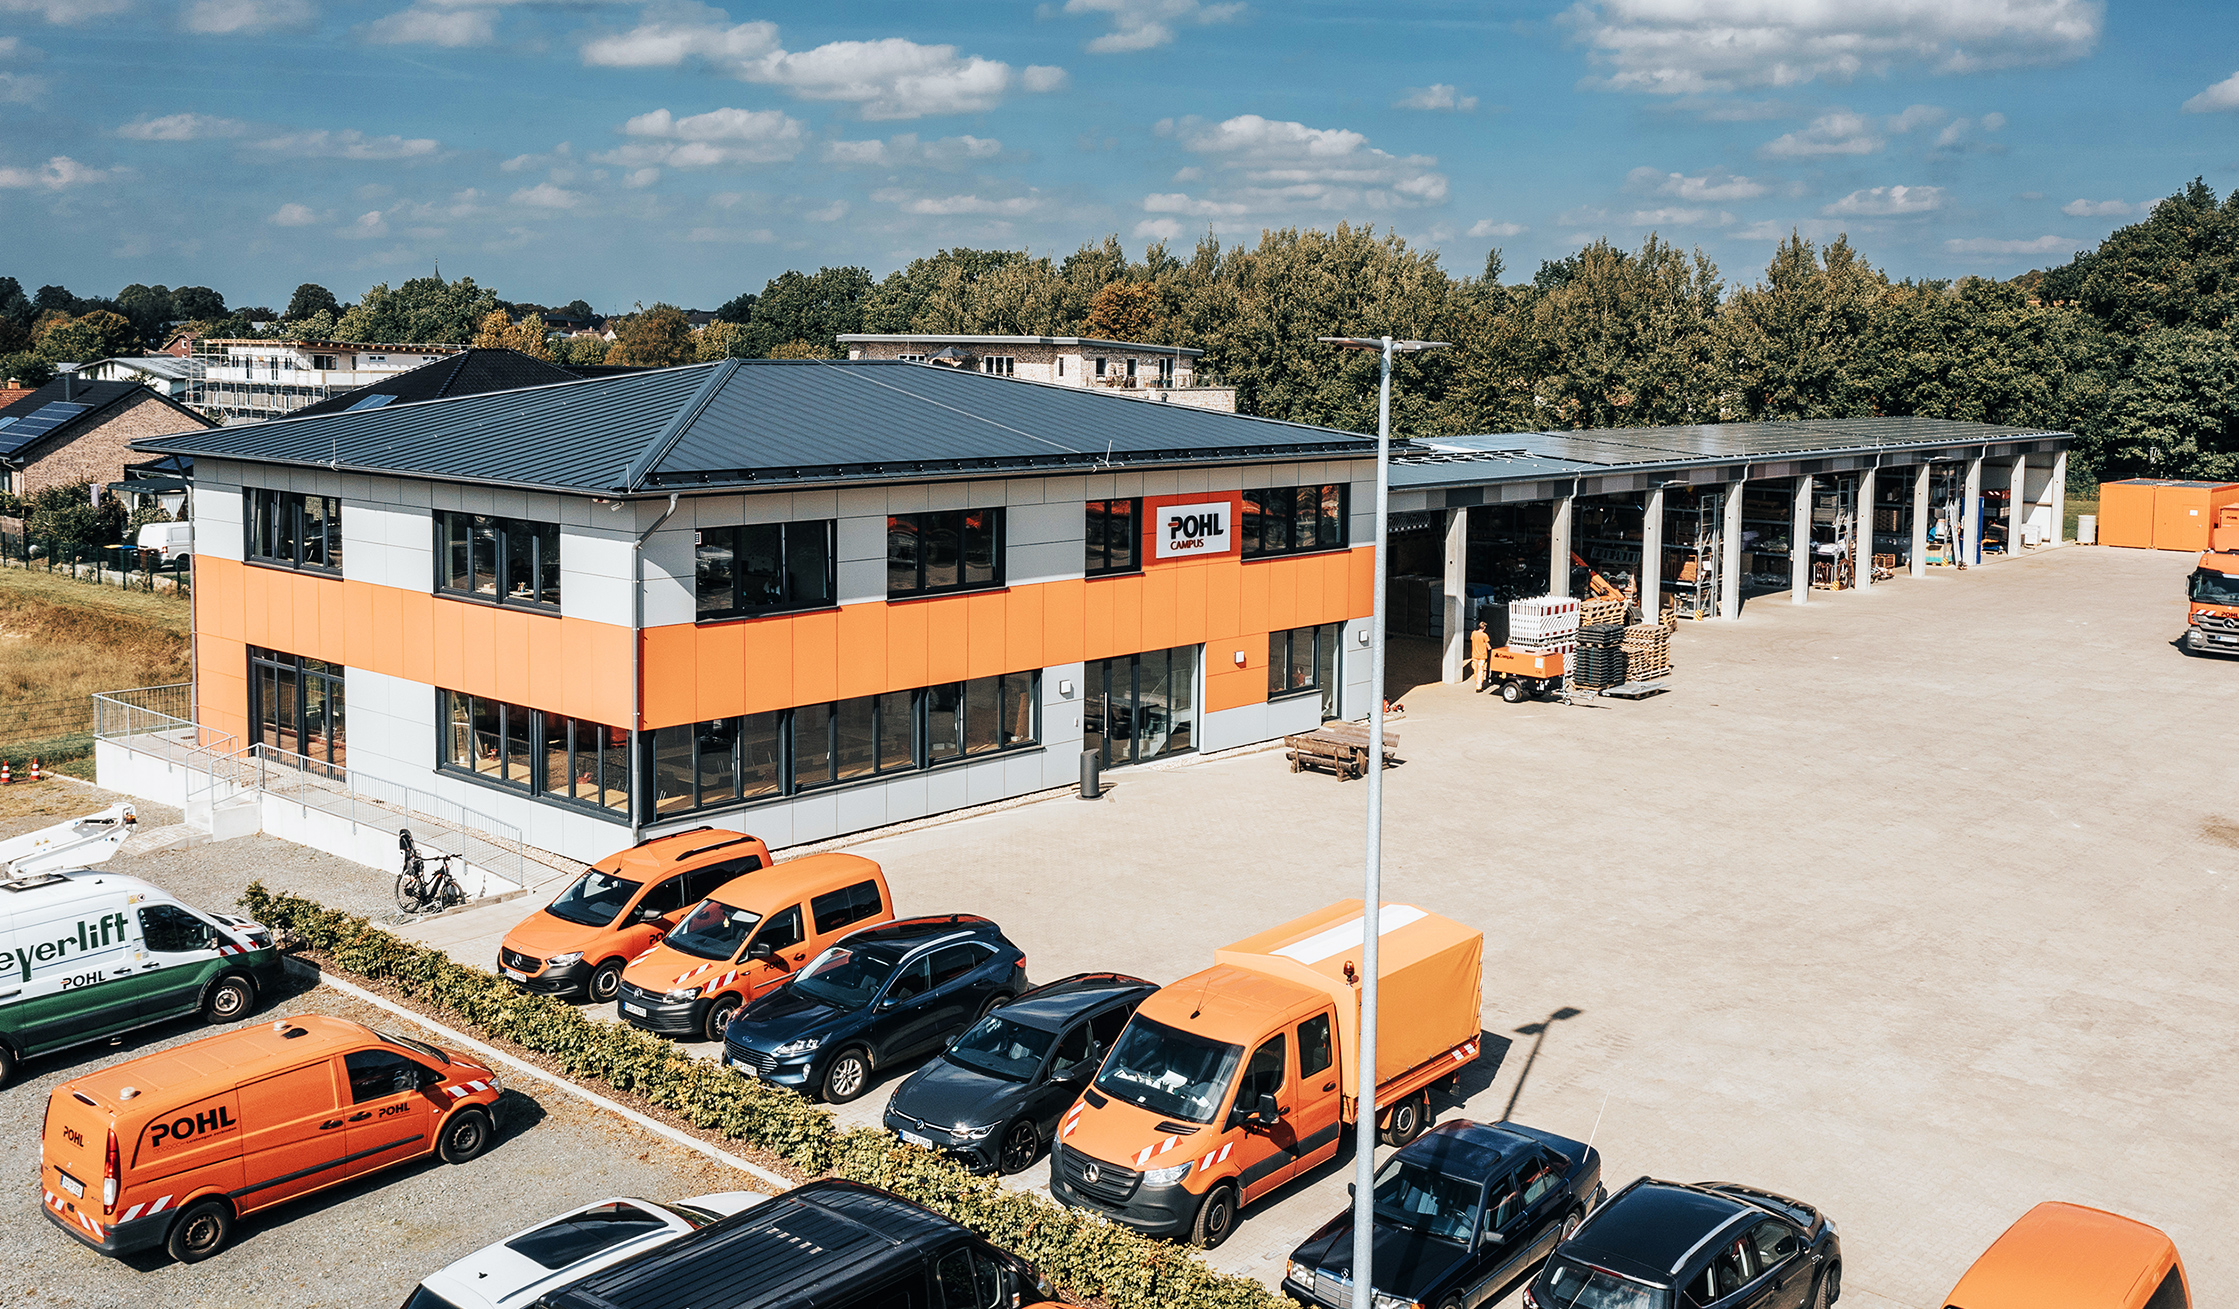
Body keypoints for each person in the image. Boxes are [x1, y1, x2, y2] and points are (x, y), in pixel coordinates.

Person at [1469, 619, 1493, 691]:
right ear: (1484, 628)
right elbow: (1488, 646)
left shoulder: (1473, 633)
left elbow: (1472, 640)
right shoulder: (1484, 635)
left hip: (1474, 655)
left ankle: (1477, 682)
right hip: (1482, 656)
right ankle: (1479, 686)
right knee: (1481, 671)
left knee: (1475, 671)